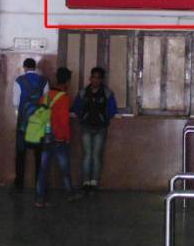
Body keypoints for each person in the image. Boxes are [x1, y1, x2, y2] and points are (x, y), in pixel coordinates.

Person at [34, 68, 82, 207]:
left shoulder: (47, 95)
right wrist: (66, 137)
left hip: (45, 136)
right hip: (59, 138)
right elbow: (63, 121)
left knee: (43, 170)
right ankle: (70, 194)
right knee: (65, 169)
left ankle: (39, 199)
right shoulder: (64, 98)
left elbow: (40, 112)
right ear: (67, 81)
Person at [72, 66, 117, 192]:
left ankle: (93, 182)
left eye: (98, 78)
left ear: (101, 79)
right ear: (90, 78)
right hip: (87, 126)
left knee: (95, 155)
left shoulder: (107, 93)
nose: (95, 80)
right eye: (93, 77)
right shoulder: (84, 92)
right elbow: (76, 107)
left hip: (100, 128)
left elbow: (112, 110)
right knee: (88, 155)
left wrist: (104, 118)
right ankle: (87, 181)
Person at [12, 58, 49, 193]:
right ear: (35, 67)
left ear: (25, 67)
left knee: (21, 154)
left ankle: (19, 184)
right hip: (39, 123)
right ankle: (39, 184)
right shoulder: (44, 81)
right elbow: (46, 102)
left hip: (23, 123)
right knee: (39, 153)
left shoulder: (19, 81)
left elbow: (15, 102)